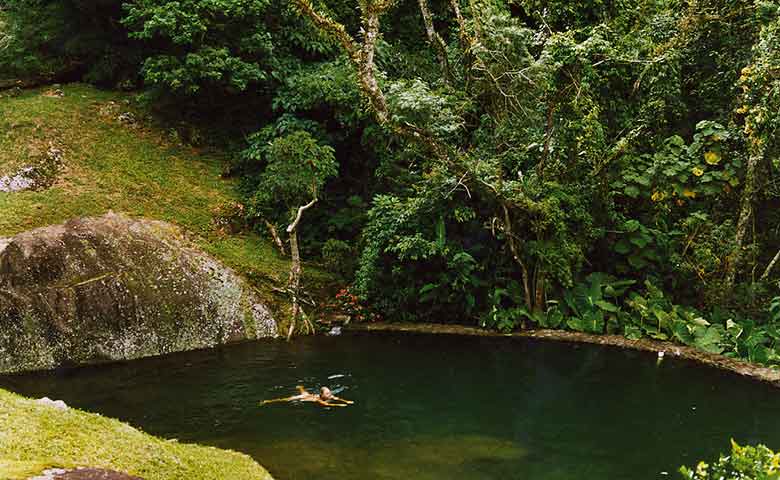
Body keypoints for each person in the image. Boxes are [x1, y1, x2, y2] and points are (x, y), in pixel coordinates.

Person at [260, 385, 354, 407]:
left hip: (308, 395)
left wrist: (346, 401)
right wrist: (339, 405)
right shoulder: (318, 399)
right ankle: (268, 401)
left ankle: (301, 387)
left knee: (304, 392)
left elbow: (337, 398)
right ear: (322, 394)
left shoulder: (330, 396)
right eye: (327, 393)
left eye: (329, 392)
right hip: (305, 398)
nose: (330, 394)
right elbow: (325, 405)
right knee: (286, 399)